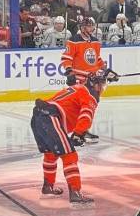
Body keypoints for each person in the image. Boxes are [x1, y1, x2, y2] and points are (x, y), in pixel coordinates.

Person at [30, 71, 111, 206]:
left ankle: (47, 187)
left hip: (38, 117)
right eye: (102, 84)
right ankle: (75, 193)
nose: (102, 88)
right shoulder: (89, 95)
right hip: (50, 117)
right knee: (70, 156)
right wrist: (78, 133)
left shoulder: (77, 88)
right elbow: (86, 115)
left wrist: (79, 133)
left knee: (50, 155)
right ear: (95, 85)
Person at [59, 16, 105, 142]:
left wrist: (104, 68)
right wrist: (69, 71)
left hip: (94, 79)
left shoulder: (95, 41)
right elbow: (66, 58)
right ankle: (77, 131)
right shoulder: (73, 41)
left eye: (92, 25)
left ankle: (83, 129)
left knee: (91, 106)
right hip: (80, 80)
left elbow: (97, 58)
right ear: (83, 27)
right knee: (79, 107)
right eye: (89, 26)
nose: (92, 28)